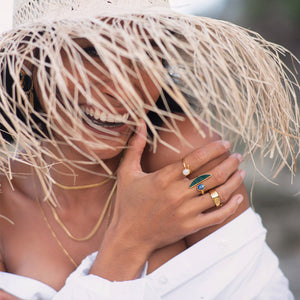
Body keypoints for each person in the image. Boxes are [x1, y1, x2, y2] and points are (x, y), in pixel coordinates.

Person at [0, 0, 298, 299]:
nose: (123, 87)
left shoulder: (181, 156)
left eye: (147, 53)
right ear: (29, 56)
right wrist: (130, 240)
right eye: (92, 51)